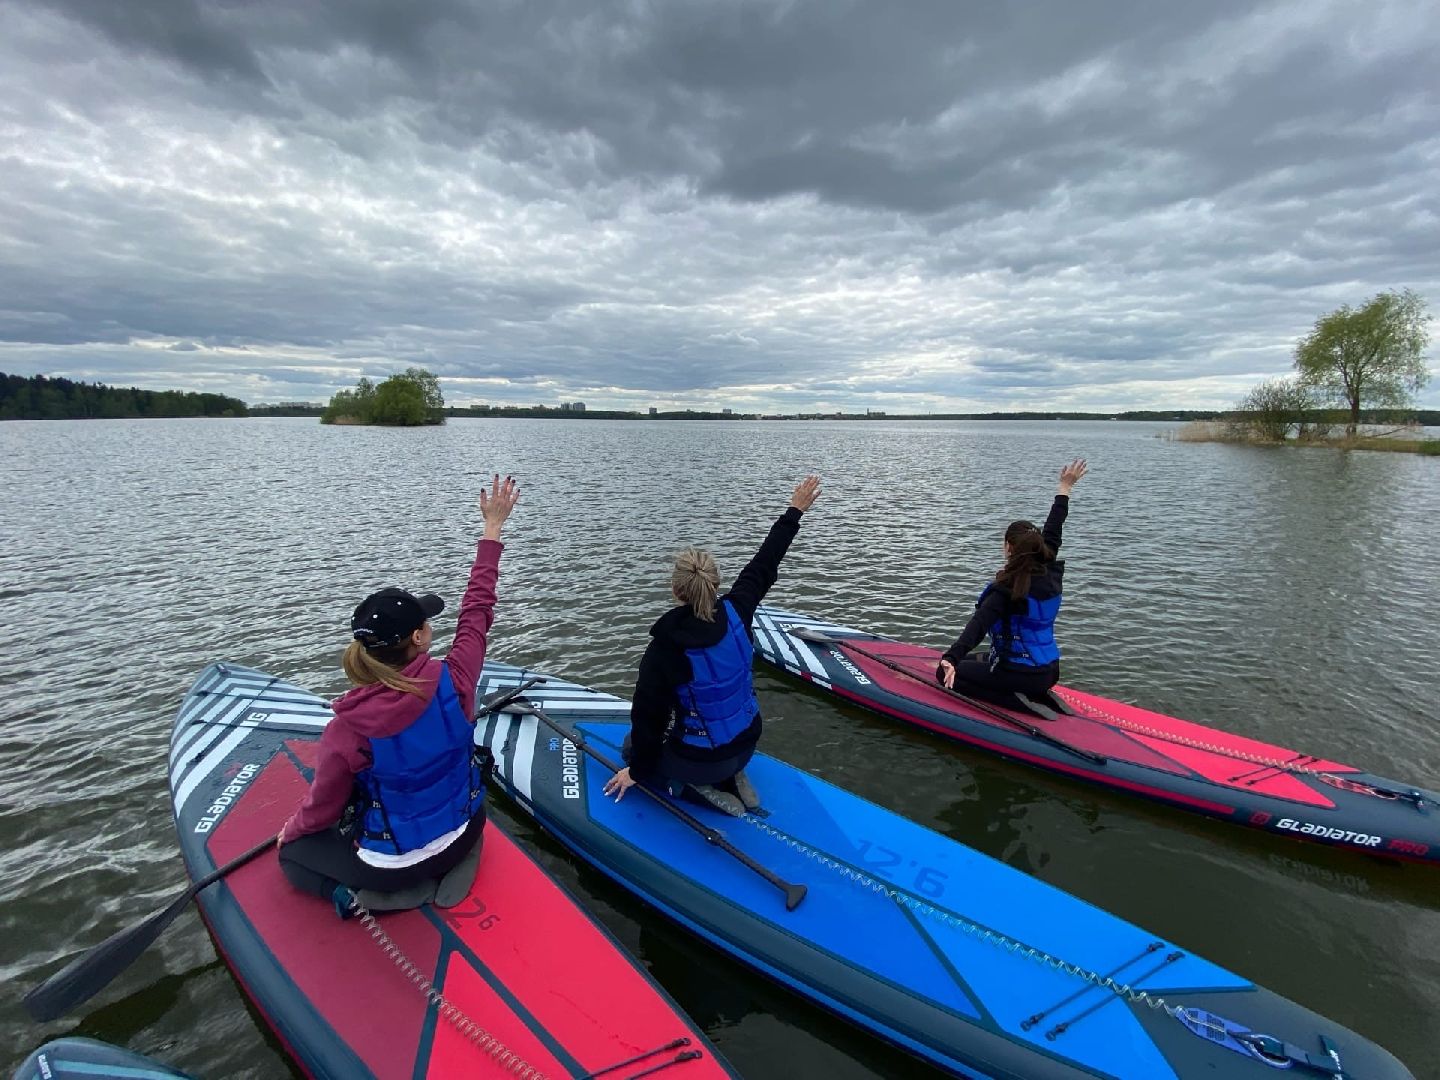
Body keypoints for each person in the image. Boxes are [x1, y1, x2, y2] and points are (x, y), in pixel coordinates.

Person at [277, 474, 519, 914]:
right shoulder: (458, 678)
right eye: (428, 621)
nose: (433, 624)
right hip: (463, 829)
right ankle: (457, 862)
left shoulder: (347, 729)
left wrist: (291, 830)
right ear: (419, 638)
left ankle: (367, 898)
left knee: (294, 856)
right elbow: (477, 610)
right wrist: (492, 531)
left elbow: (322, 810)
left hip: (392, 863)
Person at [603, 476, 822, 817]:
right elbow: (766, 562)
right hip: (748, 740)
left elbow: (648, 720)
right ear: (715, 582)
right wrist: (794, 511)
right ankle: (734, 776)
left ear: (676, 593)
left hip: (701, 760)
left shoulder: (665, 649)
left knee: (633, 748)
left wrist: (635, 772)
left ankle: (695, 789)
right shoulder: (739, 609)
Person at [936, 459, 1088, 708]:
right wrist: (1065, 487)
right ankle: (1032, 690)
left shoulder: (1007, 590)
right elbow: (1054, 526)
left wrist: (951, 658)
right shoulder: (1048, 568)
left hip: (1021, 677)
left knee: (944, 675)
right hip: (1049, 671)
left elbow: (978, 626)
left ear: (1009, 547)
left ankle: (1014, 700)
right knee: (977, 659)